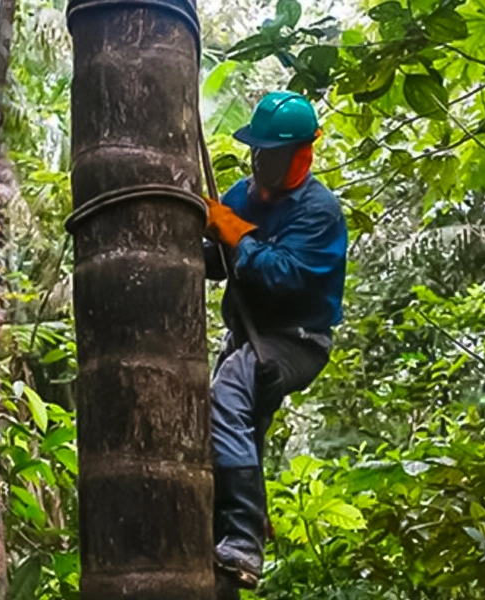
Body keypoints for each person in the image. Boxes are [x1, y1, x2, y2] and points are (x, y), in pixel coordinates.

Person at [203, 91, 349, 590]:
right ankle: (234, 530)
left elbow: (283, 274)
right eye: (257, 152)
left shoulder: (319, 211)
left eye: (273, 153)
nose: (261, 162)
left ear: (301, 154)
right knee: (227, 428)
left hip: (298, 341)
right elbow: (216, 260)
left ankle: (243, 538)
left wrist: (235, 234)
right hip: (248, 338)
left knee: (227, 393)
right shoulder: (241, 197)